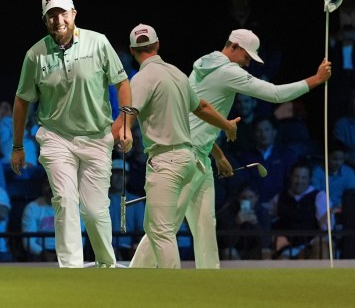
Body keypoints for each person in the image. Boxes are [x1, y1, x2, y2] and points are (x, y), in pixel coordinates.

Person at [129, 28, 331, 269]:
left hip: (199, 155)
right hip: (186, 157)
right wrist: (316, 80)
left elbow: (196, 120)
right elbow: (275, 94)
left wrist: (217, 153)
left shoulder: (204, 66)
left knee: (205, 224)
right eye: (246, 57)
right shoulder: (228, 72)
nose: (247, 64)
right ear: (233, 47)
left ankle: (210, 280)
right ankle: (135, 275)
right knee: (164, 227)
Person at [10, 0, 133, 268]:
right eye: (51, 15)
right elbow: (21, 101)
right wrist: (18, 147)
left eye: (63, 13)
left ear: (74, 14)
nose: (58, 20)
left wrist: (124, 124)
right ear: (45, 21)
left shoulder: (98, 42)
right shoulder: (35, 55)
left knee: (93, 210)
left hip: (96, 137)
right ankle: (72, 269)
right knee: (64, 201)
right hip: (56, 138)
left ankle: (106, 264)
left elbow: (122, 83)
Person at [116, 23, 240, 269]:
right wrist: (226, 125)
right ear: (158, 45)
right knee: (155, 228)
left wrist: (123, 134)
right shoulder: (177, 74)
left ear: (132, 51)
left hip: (166, 162)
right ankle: (136, 282)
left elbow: (127, 116)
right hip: (188, 160)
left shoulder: (141, 78)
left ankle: (173, 289)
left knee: (162, 231)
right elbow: (202, 107)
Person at [273, 159, 331, 260]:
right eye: (296, 177)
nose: (299, 181)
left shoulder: (319, 196)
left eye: (304, 178)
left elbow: (326, 226)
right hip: (288, 246)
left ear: (309, 179)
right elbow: (269, 216)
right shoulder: (280, 197)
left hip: (311, 244)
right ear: (290, 177)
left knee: (320, 248)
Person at [216, 182, 272, 260]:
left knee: (265, 252)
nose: (247, 201)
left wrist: (256, 224)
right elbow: (227, 243)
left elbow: (266, 243)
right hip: (235, 250)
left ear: (256, 198)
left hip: (253, 251)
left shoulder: (262, 213)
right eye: (244, 198)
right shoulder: (228, 212)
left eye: (251, 197)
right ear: (238, 199)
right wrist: (237, 224)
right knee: (229, 251)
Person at [108, 157, 145, 261]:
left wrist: (136, 245)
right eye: (116, 174)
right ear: (109, 176)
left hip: (129, 251)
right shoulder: (100, 200)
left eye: (123, 174)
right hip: (104, 248)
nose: (119, 177)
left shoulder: (136, 201)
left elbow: (141, 229)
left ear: (127, 178)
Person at [20, 174, 58, 262]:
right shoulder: (32, 208)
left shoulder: (74, 207)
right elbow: (28, 241)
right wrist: (43, 253)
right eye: (47, 183)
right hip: (40, 253)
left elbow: (80, 238)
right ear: (42, 186)